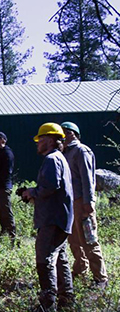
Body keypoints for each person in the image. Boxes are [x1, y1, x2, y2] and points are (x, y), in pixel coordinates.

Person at [22, 123, 74, 312]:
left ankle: (48, 303)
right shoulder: (59, 158)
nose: (37, 144)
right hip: (61, 218)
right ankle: (67, 301)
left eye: (40, 140)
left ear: (51, 140)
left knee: (44, 258)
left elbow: (50, 186)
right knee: (60, 259)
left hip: (52, 219)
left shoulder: (52, 159)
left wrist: (32, 192)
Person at [61, 121, 108, 288]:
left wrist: (89, 203)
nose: (62, 136)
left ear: (73, 133)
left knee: (89, 240)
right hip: (70, 203)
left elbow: (88, 180)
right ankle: (81, 270)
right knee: (73, 240)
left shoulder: (81, 151)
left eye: (65, 132)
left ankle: (100, 278)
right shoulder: (65, 153)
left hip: (82, 202)